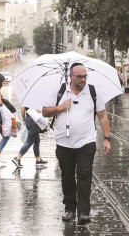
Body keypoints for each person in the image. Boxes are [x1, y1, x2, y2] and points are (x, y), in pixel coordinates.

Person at [42, 63, 111, 225]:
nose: (83, 79)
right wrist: (60, 107)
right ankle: (70, 209)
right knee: (67, 177)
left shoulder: (93, 92)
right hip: (64, 143)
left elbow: (102, 116)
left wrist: (107, 138)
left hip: (86, 143)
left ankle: (84, 213)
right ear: (71, 77)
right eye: (79, 76)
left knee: (84, 176)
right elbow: (45, 111)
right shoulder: (59, 91)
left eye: (85, 76)